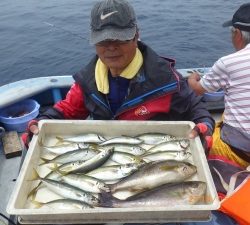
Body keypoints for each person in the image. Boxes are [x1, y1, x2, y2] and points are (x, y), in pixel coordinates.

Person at [24, 0, 215, 150]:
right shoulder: (87, 82)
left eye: (120, 38)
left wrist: (205, 127)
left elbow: (196, 109)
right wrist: (40, 123)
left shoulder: (166, 80)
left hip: (153, 152)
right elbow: (67, 111)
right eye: (103, 40)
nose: (111, 47)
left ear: (136, 36)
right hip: (106, 155)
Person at [188, 3, 250, 169]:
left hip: (241, 148)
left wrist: (192, 79)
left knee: (207, 138)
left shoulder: (228, 62)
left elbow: (197, 89)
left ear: (237, 34)